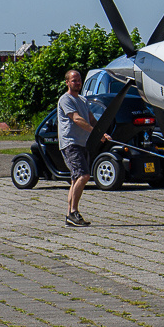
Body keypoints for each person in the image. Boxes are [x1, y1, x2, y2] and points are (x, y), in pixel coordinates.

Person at [58, 69, 109, 227]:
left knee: (75, 179)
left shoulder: (83, 100)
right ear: (67, 82)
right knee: (84, 175)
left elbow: (91, 119)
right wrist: (96, 134)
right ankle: (73, 212)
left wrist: (103, 133)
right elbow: (77, 119)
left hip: (82, 143)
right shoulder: (65, 99)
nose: (77, 83)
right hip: (70, 143)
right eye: (74, 80)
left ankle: (70, 215)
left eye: (79, 80)